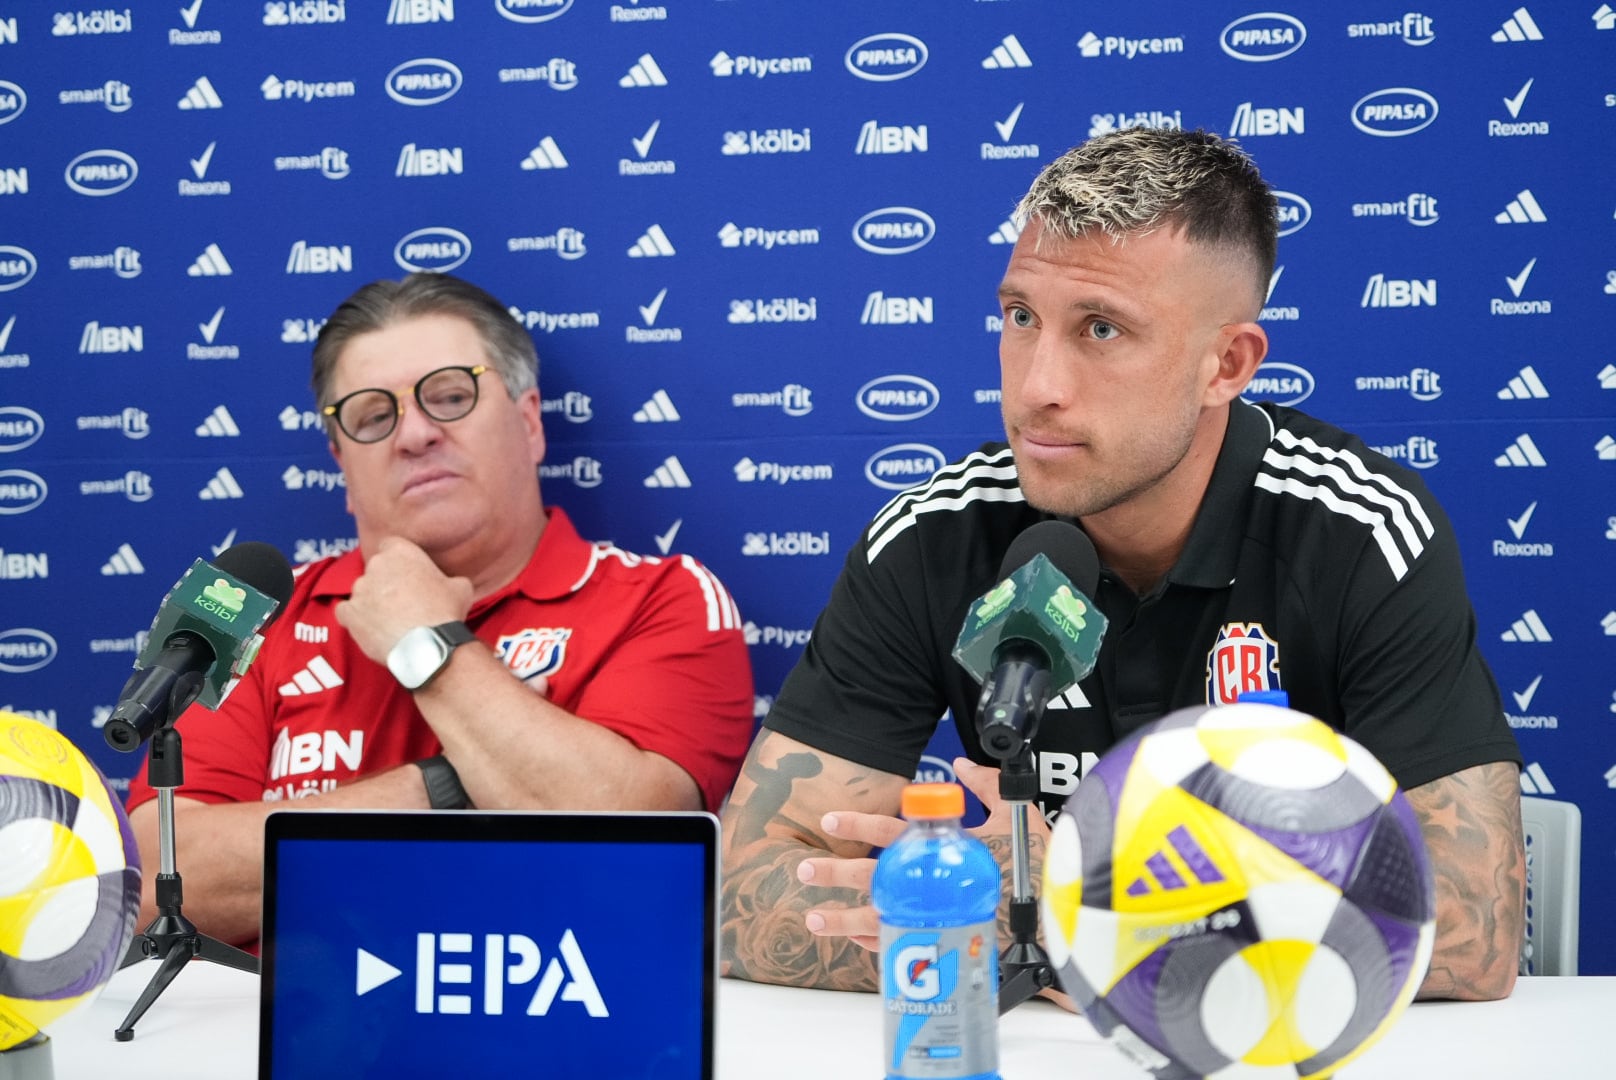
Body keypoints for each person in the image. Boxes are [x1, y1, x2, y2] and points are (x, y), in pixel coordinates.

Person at [720, 128, 1524, 1002]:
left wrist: (1084, 915)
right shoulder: (933, 537)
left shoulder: (1357, 531)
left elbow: (1476, 926)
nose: (1036, 386)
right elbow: (737, 889)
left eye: (1101, 329)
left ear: (1228, 363)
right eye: (1021, 317)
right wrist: (993, 926)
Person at [126, 273, 754, 947]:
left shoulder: (665, 598)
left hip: (554, 1030)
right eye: (372, 416)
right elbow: (152, 882)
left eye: (451, 396)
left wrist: (424, 641)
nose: (415, 434)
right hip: (281, 1034)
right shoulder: (247, 614)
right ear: (340, 460)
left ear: (529, 420)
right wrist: (451, 786)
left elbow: (633, 851)